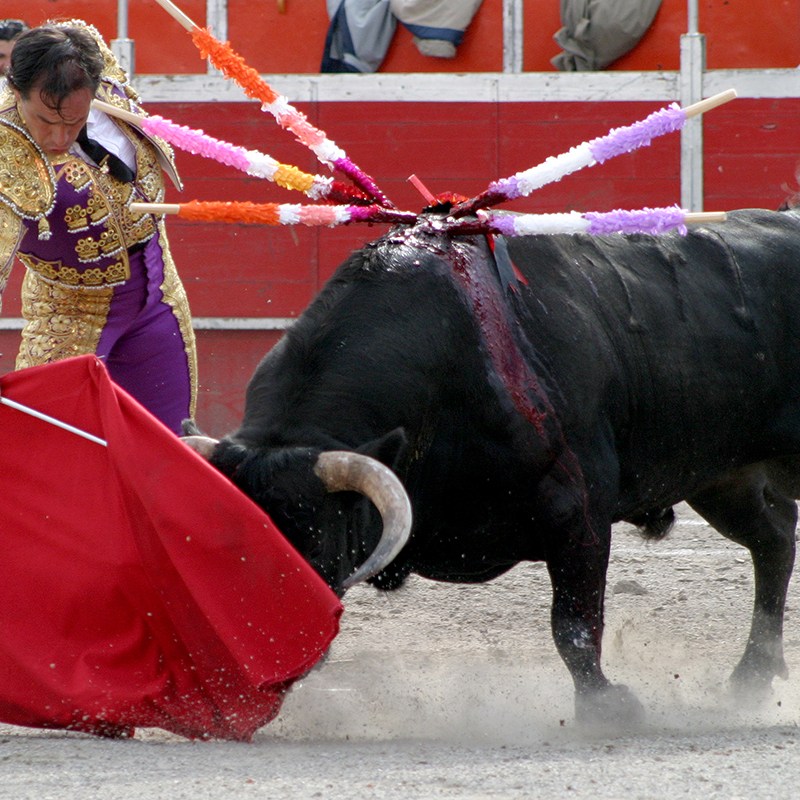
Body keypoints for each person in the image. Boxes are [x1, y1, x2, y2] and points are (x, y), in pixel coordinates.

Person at [0, 20, 197, 434]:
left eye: (73, 122)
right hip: (69, 312)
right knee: (49, 457)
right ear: (14, 91)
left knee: (170, 445)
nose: (58, 137)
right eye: (43, 120)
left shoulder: (96, 63)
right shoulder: (4, 148)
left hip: (159, 293)